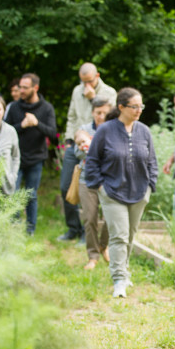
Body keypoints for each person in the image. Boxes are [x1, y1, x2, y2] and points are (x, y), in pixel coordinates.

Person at [85, 87, 158, 298]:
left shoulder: (144, 130)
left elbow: (152, 160)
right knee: (119, 236)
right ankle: (118, 279)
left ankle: (124, 273)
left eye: (140, 106)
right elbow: (92, 161)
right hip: (112, 193)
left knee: (130, 236)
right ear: (121, 107)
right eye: (134, 106)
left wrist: (150, 186)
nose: (139, 110)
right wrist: (100, 187)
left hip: (139, 192)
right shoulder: (105, 130)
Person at [59, 62, 117, 242]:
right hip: (76, 145)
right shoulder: (77, 91)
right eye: (83, 81)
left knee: (93, 190)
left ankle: (88, 234)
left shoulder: (109, 92)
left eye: (90, 81)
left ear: (97, 76)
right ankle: (73, 228)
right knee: (65, 187)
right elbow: (71, 117)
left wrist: (93, 97)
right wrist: (69, 141)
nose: (86, 86)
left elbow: (110, 117)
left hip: (100, 147)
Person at [6, 73, 57, 235]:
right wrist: (22, 125)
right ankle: (14, 227)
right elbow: (5, 131)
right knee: (13, 193)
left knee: (31, 195)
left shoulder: (46, 108)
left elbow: (53, 134)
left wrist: (36, 123)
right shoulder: (14, 107)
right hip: (16, 158)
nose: (21, 90)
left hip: (36, 158)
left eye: (24, 87)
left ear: (35, 88)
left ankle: (30, 230)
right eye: (20, 87)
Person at [74, 97, 112, 270]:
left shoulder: (113, 129)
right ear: (92, 113)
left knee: (111, 217)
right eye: (98, 113)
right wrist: (86, 147)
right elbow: (77, 153)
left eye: (105, 112)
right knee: (90, 218)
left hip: (109, 180)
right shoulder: (83, 130)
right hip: (86, 180)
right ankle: (93, 256)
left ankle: (104, 246)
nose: (101, 116)